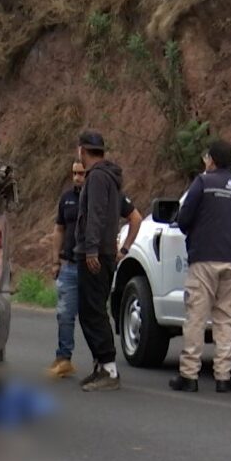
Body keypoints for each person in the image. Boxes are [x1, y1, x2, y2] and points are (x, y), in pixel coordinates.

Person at [168, 140, 231, 393]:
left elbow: (184, 218)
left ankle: (189, 375)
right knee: (226, 319)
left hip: (204, 257)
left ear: (211, 160)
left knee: (196, 316)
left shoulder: (203, 183)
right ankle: (223, 377)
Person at [48, 160, 142, 378]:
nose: (78, 178)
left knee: (95, 313)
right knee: (65, 314)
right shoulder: (67, 199)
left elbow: (135, 218)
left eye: (82, 173)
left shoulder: (107, 194)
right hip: (71, 264)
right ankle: (63, 358)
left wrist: (124, 249)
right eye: (74, 174)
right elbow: (59, 229)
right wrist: (55, 260)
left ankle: (101, 361)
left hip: (94, 263)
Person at [74, 131, 125, 392]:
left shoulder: (96, 178)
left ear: (82, 150)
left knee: (92, 311)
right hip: (104, 250)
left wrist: (91, 249)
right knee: (92, 309)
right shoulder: (111, 177)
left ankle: (109, 368)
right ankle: (100, 365)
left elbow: (95, 214)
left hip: (94, 252)